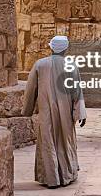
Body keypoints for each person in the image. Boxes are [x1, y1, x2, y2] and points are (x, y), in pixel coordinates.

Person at [22, 35, 87, 188]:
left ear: (51, 47)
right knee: (65, 141)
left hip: (46, 110)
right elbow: (77, 92)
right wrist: (80, 113)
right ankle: (66, 175)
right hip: (66, 112)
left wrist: (27, 110)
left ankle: (51, 178)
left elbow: (30, 89)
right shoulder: (72, 65)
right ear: (66, 49)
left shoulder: (39, 65)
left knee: (48, 141)